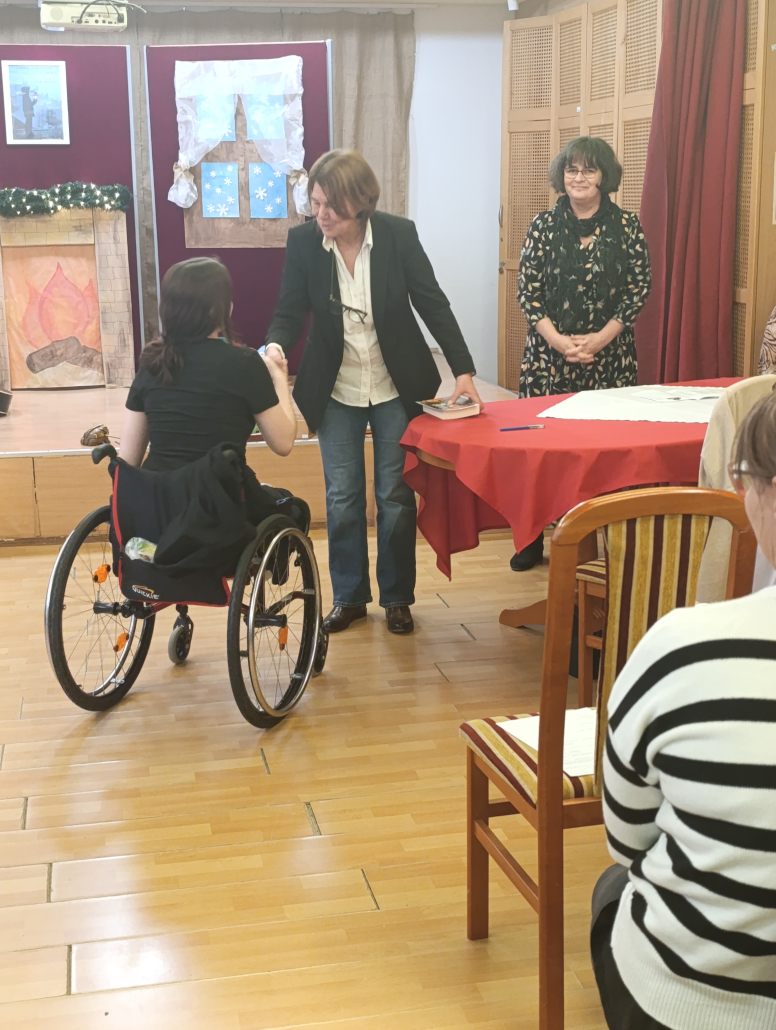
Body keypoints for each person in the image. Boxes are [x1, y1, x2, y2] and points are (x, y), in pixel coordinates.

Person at [591, 390, 776, 1030]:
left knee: (612, 889)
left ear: (765, 492)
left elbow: (627, 839)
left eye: (743, 478)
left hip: (695, 1004)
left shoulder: (683, 647)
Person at [265, 149, 481, 635]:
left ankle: (397, 598)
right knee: (342, 497)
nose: (321, 215)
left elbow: (432, 302)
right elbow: (289, 309)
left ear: (361, 203)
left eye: (332, 206)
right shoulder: (304, 243)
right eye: (316, 203)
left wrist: (463, 370)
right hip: (335, 387)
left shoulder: (398, 235)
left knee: (395, 495)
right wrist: (275, 344)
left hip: (394, 385)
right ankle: (349, 598)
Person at [511, 136, 652, 571]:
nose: (579, 177)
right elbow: (528, 291)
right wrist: (560, 342)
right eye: (572, 169)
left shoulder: (627, 226)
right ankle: (530, 536)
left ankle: (600, 536)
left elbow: (638, 289)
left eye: (589, 169)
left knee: (602, 450)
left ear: (604, 176)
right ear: (562, 175)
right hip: (547, 359)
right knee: (540, 451)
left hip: (610, 357)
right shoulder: (542, 226)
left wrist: (598, 340)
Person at [120, 257, 298, 524]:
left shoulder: (152, 363)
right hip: (219, 510)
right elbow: (283, 443)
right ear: (218, 309)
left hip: (157, 511)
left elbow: (127, 460)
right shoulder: (244, 364)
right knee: (292, 509)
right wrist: (279, 377)